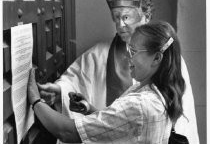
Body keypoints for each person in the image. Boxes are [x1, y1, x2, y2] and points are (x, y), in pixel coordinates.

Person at [37, 0, 199, 144]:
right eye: (115, 18)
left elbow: (180, 122)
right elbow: (78, 81)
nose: (120, 25)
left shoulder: (170, 64)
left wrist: (34, 100)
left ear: (145, 16)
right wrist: (62, 91)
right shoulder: (98, 54)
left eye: (126, 17)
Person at [28, 20, 186, 143]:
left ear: (157, 57)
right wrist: (90, 110)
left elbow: (66, 132)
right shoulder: (152, 90)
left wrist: (35, 100)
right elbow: (126, 125)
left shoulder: (141, 103)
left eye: (134, 51)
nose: (129, 57)